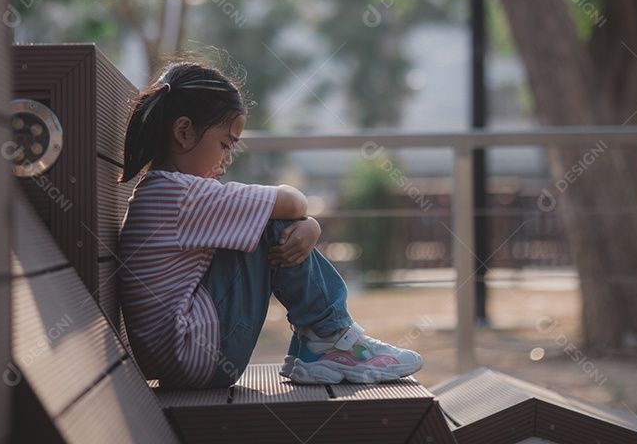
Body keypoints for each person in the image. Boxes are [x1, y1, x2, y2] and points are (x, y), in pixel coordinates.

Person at [116, 60, 423, 390]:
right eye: (225, 143)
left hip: (182, 356)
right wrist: (308, 225)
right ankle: (330, 336)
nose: (228, 158)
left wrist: (306, 225)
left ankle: (324, 339)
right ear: (183, 131)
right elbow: (290, 202)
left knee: (260, 215)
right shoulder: (182, 195)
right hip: (197, 353)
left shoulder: (160, 191)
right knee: (269, 220)